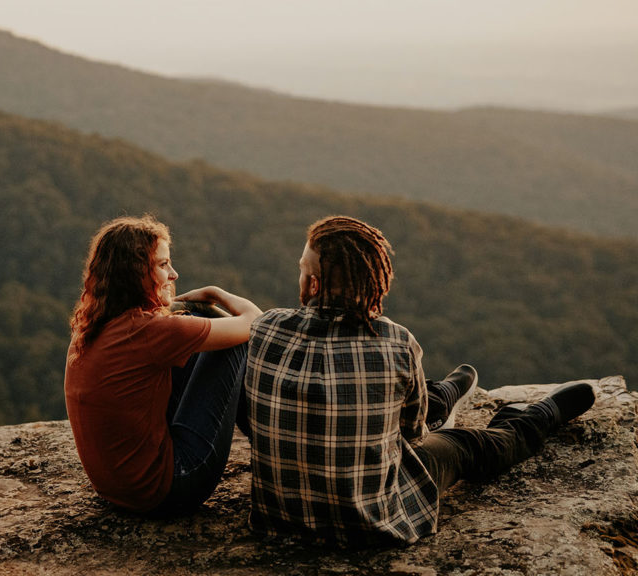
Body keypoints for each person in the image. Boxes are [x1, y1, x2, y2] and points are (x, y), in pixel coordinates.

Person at [245, 215, 596, 547]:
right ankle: (534, 419)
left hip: (281, 523)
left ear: (312, 283)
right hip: (370, 523)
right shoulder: (394, 342)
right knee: (464, 446)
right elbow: (413, 436)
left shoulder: (265, 328)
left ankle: (442, 397)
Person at [64, 215, 262, 516]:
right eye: (163, 265)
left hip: (117, 489)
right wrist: (215, 294)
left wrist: (191, 312)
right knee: (232, 343)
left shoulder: (92, 325)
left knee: (194, 319)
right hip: (169, 489)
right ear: (134, 274)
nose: (174, 274)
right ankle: (272, 445)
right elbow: (254, 324)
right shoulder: (151, 333)